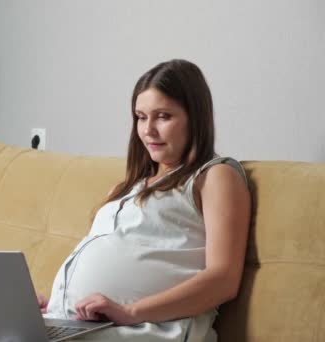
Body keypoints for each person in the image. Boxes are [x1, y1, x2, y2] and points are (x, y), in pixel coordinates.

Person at [39, 59, 251, 341]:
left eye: (163, 116)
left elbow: (223, 279)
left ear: (195, 118)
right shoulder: (126, 188)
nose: (148, 129)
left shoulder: (215, 175)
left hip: (147, 328)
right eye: (141, 117)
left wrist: (131, 311)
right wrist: (52, 306)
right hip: (78, 323)